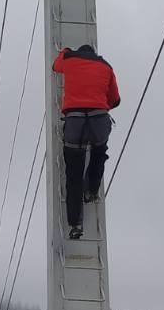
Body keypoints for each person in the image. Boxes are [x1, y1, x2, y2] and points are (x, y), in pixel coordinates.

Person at [52, 44, 121, 240]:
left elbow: (55, 66)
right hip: (98, 120)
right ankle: (91, 190)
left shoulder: (69, 59)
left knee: (73, 174)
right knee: (99, 152)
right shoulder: (106, 66)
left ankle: (76, 225)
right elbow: (115, 100)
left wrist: (64, 51)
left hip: (75, 121)